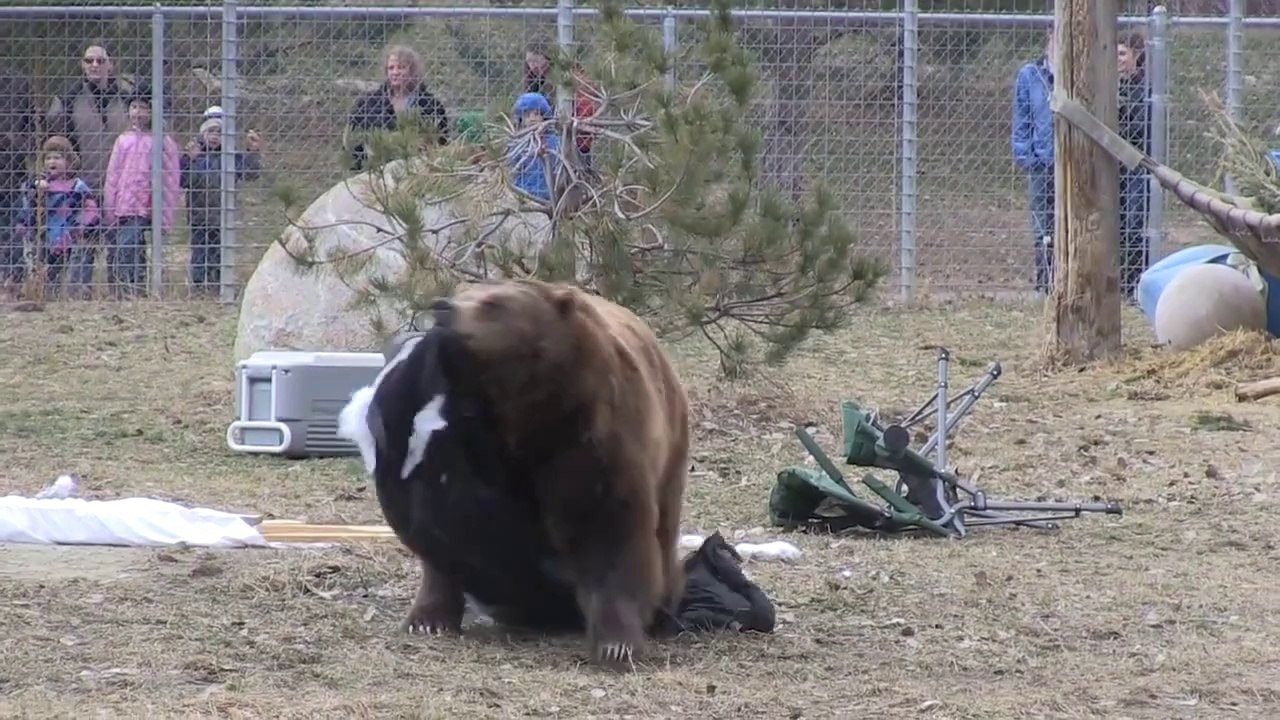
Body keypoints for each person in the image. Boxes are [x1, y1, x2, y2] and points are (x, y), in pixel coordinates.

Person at [44, 44, 134, 294]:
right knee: (82, 241)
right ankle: (78, 291)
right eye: (89, 60)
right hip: (81, 187)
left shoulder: (127, 97)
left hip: (120, 185)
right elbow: (55, 140)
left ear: (111, 64)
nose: (95, 65)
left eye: (100, 60)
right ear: (82, 64)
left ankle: (121, 291)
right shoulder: (68, 97)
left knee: (121, 242)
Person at [101, 82, 180, 298]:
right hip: (123, 207)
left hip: (146, 207)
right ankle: (127, 290)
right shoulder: (123, 140)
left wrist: (164, 216)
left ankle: (133, 288)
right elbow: (113, 176)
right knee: (126, 248)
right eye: (134, 106)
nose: (138, 112)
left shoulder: (163, 142)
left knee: (131, 247)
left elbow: (171, 180)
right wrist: (110, 207)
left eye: (144, 107)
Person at [181, 106, 263, 295]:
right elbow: (182, 180)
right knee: (200, 254)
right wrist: (190, 160)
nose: (215, 136)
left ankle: (218, 287)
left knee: (220, 254)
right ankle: (198, 288)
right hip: (199, 216)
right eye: (211, 131)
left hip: (223, 217)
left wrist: (252, 151)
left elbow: (251, 173)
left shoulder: (231, 157)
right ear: (202, 133)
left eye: (220, 132)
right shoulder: (195, 155)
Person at [8, 136, 100, 295]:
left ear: (69, 161)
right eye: (48, 158)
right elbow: (29, 208)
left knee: (75, 268)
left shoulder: (77, 186)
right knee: (48, 274)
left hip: (70, 237)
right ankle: (48, 294)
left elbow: (90, 208)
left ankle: (77, 293)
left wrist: (81, 227)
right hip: (46, 238)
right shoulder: (39, 186)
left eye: (58, 157)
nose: (52, 161)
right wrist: (24, 223)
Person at [345, 45, 449, 172]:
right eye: (391, 68)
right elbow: (354, 139)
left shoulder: (430, 105)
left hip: (417, 169)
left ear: (413, 71)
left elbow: (441, 141)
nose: (395, 72)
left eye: (401, 67)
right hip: (377, 171)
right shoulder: (368, 104)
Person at [1011, 28, 1056, 295]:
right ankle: (1045, 280)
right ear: (1050, 34)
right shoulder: (1030, 75)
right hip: (1042, 163)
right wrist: (1027, 157)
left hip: (1075, 164)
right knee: (1042, 224)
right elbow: (1022, 119)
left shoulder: (1079, 76)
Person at [1118, 31, 1152, 299]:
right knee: (1115, 224)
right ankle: (1119, 282)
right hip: (1112, 168)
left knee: (1134, 224)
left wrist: (1124, 113)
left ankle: (1135, 282)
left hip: (1137, 169)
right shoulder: (1111, 87)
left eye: (1122, 54)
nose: (1117, 61)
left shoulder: (1146, 89)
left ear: (1136, 56)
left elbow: (1141, 131)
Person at [506, 92, 560, 203]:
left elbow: (557, 165)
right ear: (520, 118)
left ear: (543, 116)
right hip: (523, 192)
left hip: (548, 194)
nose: (532, 118)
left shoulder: (553, 140)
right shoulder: (518, 142)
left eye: (536, 114)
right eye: (527, 114)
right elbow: (512, 165)